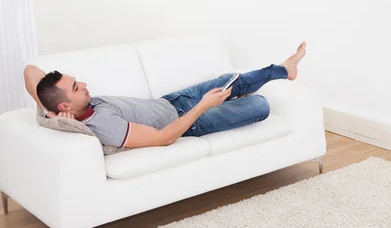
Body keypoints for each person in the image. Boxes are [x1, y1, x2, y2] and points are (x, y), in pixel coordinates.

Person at [24, 42, 307, 149]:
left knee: (226, 79)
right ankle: (226, 105)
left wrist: (49, 112)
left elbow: (30, 70)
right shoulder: (103, 124)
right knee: (259, 105)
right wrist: (203, 107)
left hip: (170, 100)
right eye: (76, 87)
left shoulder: (59, 108)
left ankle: (283, 69)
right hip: (188, 122)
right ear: (66, 103)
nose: (83, 84)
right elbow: (163, 138)